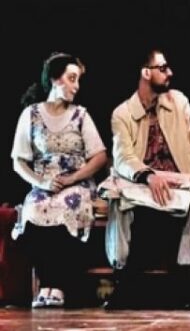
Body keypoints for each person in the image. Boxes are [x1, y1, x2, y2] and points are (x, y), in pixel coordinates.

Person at [105, 49, 190, 309]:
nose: (170, 73)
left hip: (181, 183)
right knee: (116, 195)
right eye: (162, 68)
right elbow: (123, 157)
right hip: (142, 185)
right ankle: (123, 277)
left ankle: (188, 278)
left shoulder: (178, 102)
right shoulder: (122, 113)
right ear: (146, 73)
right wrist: (148, 176)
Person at [11, 52, 108, 308]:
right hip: (44, 185)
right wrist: (41, 182)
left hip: (76, 184)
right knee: (34, 210)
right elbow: (18, 161)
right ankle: (47, 286)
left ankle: (58, 286)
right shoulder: (31, 114)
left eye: (78, 80)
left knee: (68, 206)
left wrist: (73, 177)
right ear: (55, 79)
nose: (76, 86)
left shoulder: (80, 115)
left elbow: (100, 156)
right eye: (72, 78)